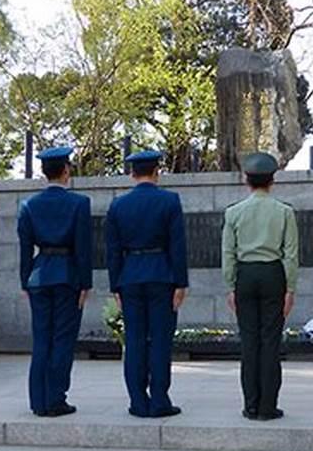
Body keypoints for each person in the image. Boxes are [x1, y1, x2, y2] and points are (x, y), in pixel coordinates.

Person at [106, 150, 188, 418]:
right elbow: (177, 246)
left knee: (135, 340)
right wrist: (180, 283)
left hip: (130, 277)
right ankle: (160, 399)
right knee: (161, 340)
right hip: (162, 276)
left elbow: (113, 250)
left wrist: (115, 286)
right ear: (157, 172)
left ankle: (138, 401)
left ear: (132, 174)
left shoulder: (118, 205)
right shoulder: (170, 201)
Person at [221, 152, 299, 421]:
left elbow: (228, 253)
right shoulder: (285, 212)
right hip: (273, 274)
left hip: (245, 274)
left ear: (246, 180)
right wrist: (290, 289)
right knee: (270, 342)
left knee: (249, 342)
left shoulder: (233, 213)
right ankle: (268, 406)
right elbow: (290, 253)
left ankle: (250, 405)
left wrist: (230, 286)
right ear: (272, 180)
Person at [17, 145, 92, 418]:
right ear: (66, 171)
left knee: (41, 339)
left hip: (39, 275)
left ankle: (38, 400)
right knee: (62, 339)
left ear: (43, 172)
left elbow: (25, 249)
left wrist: (25, 281)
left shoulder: (28, 206)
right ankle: (56, 398)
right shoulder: (79, 203)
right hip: (68, 276)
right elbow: (84, 247)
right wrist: (86, 283)